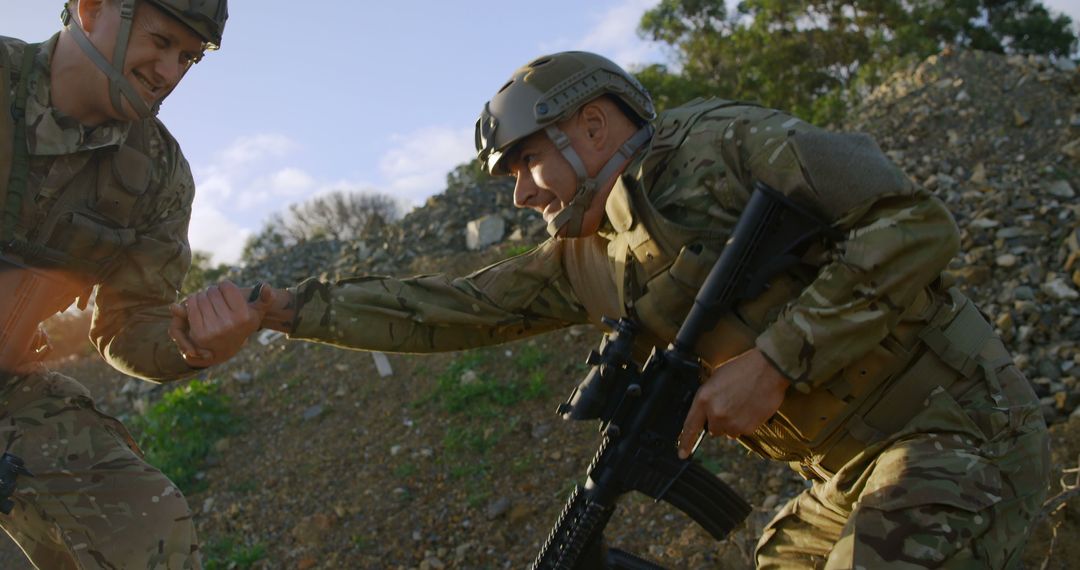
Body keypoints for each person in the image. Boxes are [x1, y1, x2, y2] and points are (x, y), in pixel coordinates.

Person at [180, 51, 1050, 567]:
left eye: (525, 163)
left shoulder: (724, 145)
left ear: (592, 127)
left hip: (959, 434)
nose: (519, 193)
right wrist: (285, 308)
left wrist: (781, 357)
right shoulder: (583, 261)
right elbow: (444, 308)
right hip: (840, 478)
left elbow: (914, 221)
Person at [0, 0, 241, 567]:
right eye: (159, 41)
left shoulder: (158, 172)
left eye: (188, 57)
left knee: (148, 525)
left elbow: (127, 328)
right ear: (90, 8)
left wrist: (196, 344)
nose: (169, 72)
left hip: (8, 392)